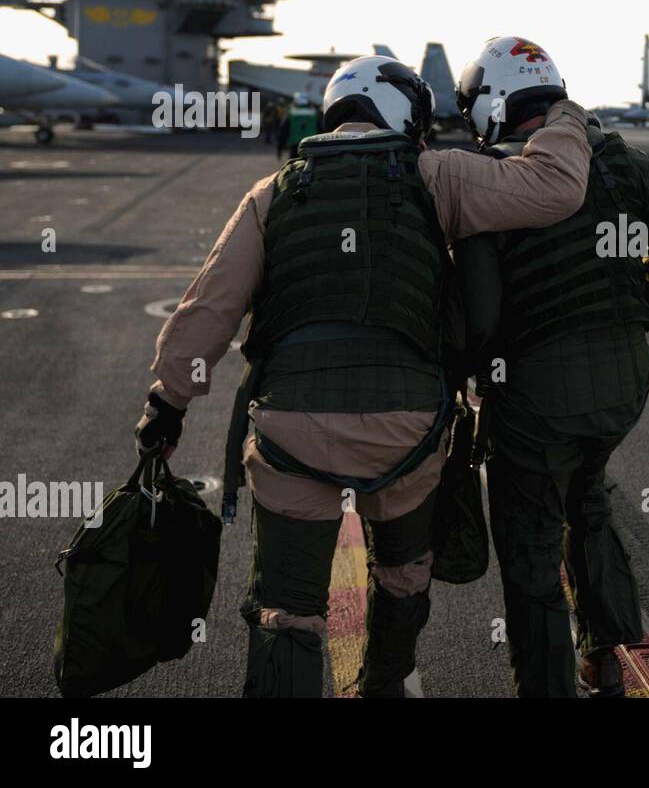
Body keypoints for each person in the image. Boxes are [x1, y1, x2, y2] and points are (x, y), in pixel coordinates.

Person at [134, 53, 594, 698]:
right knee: (404, 574)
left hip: (292, 427)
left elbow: (207, 313)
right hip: (408, 426)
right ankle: (385, 683)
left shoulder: (273, 193)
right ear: (406, 111)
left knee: (287, 609)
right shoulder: (438, 174)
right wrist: (564, 111)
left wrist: (167, 406)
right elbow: (555, 187)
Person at [452, 37, 649, 697]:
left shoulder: (492, 178)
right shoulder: (625, 163)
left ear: (495, 100)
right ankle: (606, 653)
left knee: (531, 546)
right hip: (624, 382)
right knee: (588, 502)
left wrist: (463, 380)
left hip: (539, 395)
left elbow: (479, 321)